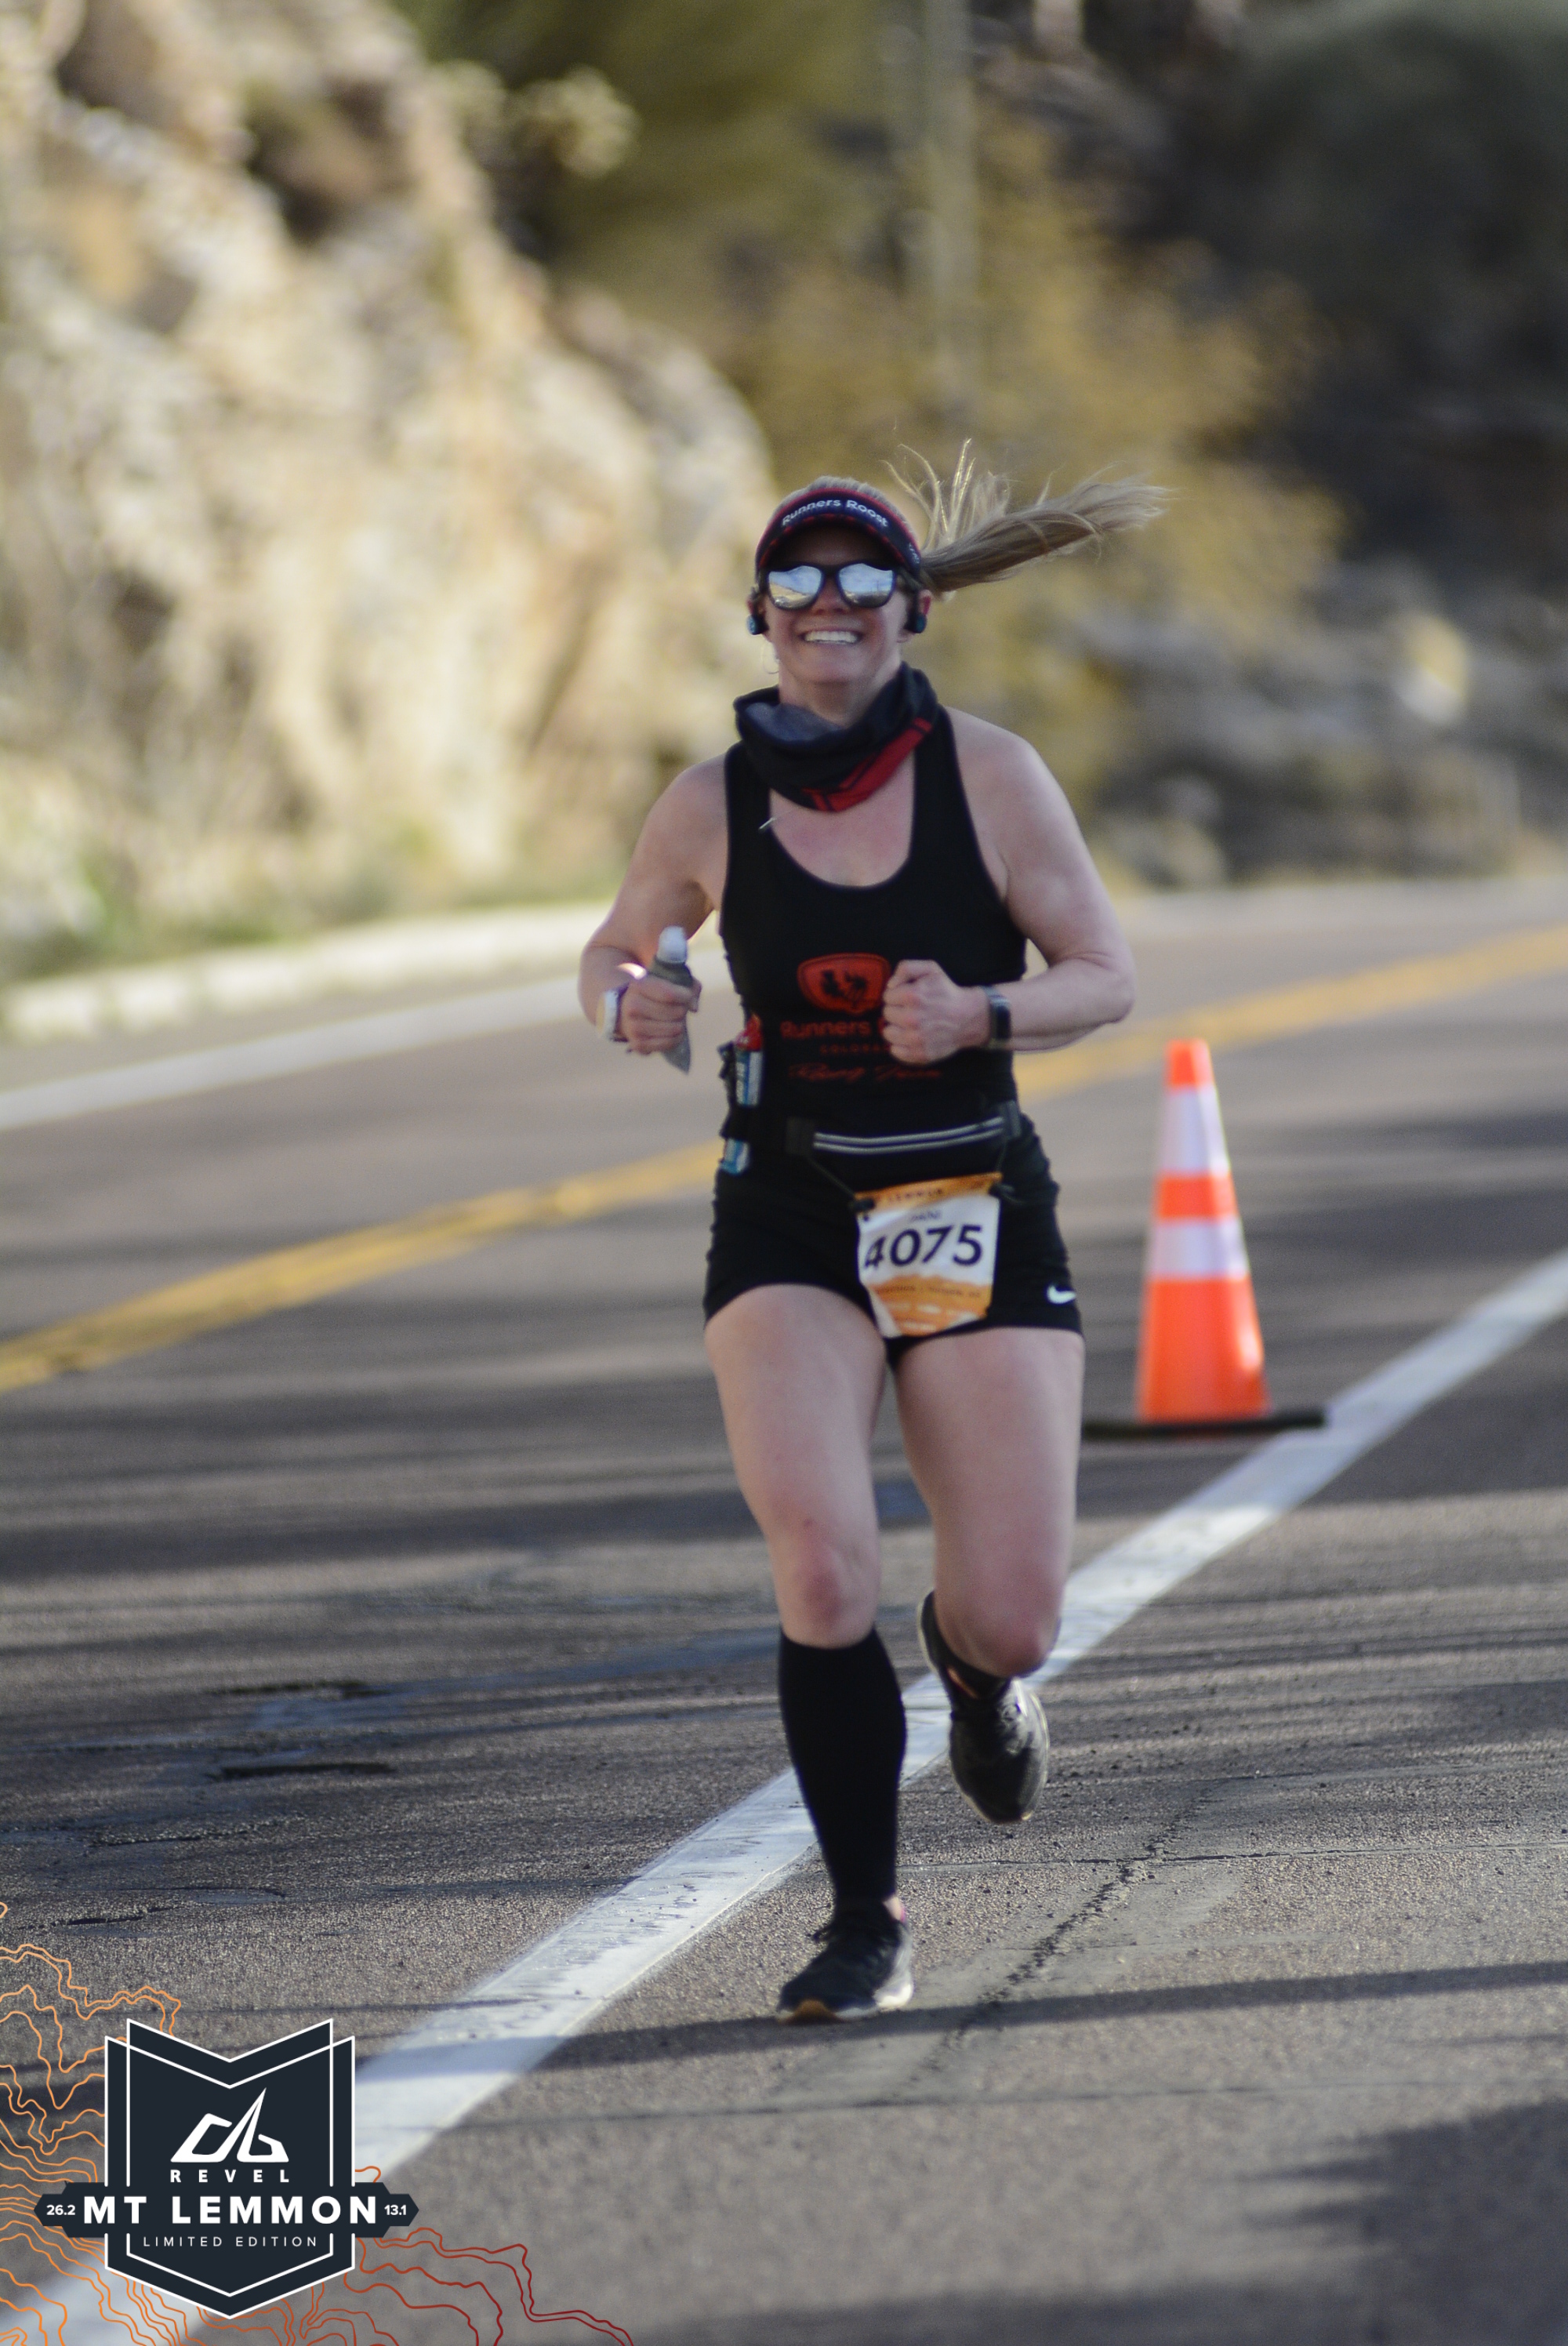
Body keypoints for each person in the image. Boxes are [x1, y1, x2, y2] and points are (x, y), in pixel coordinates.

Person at [579, 456, 1159, 2022]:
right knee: (821, 1557)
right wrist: (634, 999)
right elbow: (617, 947)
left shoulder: (993, 777)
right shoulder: (710, 799)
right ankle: (863, 1920)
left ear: (912, 608)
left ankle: (970, 1673)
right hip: (788, 1203)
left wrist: (982, 1012)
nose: (825, 605)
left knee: (1017, 1609)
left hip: (969, 1194)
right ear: (759, 613)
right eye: (797, 579)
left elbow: (1103, 973)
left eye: (857, 580)